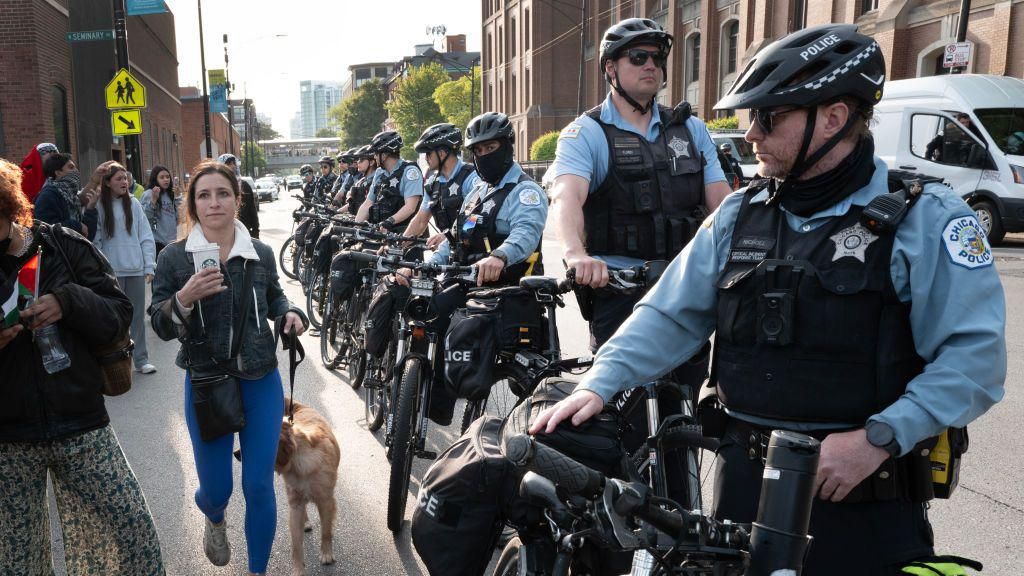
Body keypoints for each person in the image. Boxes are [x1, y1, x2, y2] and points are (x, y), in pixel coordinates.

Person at [531, 24, 1006, 575]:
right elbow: (668, 313)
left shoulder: (926, 219)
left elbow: (974, 361)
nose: (751, 135)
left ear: (832, 118)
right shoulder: (739, 214)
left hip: (859, 497)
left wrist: (878, 438)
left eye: (768, 117)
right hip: (744, 492)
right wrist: (600, 382)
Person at [0, 157, 165, 575]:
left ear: (8, 209)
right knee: (18, 561)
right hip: (8, 439)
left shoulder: (64, 244)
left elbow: (118, 313)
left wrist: (68, 301)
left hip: (80, 422)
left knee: (132, 532)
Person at [149, 160, 308, 576]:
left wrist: (290, 313)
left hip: (260, 379)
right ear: (193, 204)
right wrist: (183, 299)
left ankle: (258, 571)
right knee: (216, 489)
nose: (214, 202)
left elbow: (275, 297)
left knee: (258, 485)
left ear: (237, 200)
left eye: (223, 193)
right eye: (204, 195)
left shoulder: (260, 253)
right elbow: (159, 325)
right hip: (206, 383)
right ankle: (214, 517)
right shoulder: (173, 259)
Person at [544, 17, 731, 352]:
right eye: (638, 57)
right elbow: (566, 196)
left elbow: (721, 200)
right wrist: (576, 255)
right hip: (618, 291)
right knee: (619, 399)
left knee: (690, 392)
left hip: (685, 286)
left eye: (657, 58)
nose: (651, 65)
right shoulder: (587, 133)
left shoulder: (691, 129)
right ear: (610, 68)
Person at [401, 112, 547, 424]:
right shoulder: (479, 190)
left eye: (489, 148)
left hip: (508, 286)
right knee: (424, 310)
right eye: (477, 151)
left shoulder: (525, 191)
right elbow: (457, 236)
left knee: (447, 317)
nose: (482, 156)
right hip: (467, 280)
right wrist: (426, 265)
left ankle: (446, 397)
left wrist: (500, 256)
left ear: (507, 146)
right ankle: (431, 400)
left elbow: (526, 234)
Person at [93, 162, 157, 375]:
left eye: (125, 178)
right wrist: (103, 269)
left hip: (136, 270)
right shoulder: (100, 206)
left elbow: (146, 236)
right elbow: (97, 240)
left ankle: (141, 359)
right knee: (115, 319)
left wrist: (149, 265)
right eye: (119, 178)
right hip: (113, 273)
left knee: (137, 316)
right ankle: (117, 363)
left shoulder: (135, 204)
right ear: (108, 182)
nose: (124, 182)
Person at [402, 123, 480, 246]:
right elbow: (420, 221)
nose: (426, 158)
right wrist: (398, 245)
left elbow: (475, 218)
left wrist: (450, 235)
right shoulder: (433, 184)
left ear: (442, 153)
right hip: (450, 252)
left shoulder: (471, 178)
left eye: (428, 153)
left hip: (475, 253)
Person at [354, 130, 423, 233]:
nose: (375, 157)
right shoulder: (379, 172)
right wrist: (356, 227)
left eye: (376, 153)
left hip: (405, 235)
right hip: (382, 233)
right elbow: (367, 203)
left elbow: (410, 207)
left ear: (385, 154)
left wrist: (389, 221)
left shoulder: (410, 172)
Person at [33, 152, 99, 238]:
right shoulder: (48, 195)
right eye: (71, 167)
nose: (76, 171)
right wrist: (77, 226)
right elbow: (46, 228)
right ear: (58, 172)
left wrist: (90, 209)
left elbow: (87, 237)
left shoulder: (72, 197)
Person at [141, 164, 182, 256]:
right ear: (155, 179)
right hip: (157, 242)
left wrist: (178, 197)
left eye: (167, 177)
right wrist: (153, 201)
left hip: (172, 241)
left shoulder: (170, 194)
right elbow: (145, 219)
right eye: (162, 177)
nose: (166, 179)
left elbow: (180, 217)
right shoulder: (148, 194)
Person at [218, 154, 260, 239]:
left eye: (234, 163)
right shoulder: (216, 186)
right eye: (229, 163)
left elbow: (252, 208)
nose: (232, 166)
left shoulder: (244, 185)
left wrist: (256, 231)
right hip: (223, 232)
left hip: (244, 230)